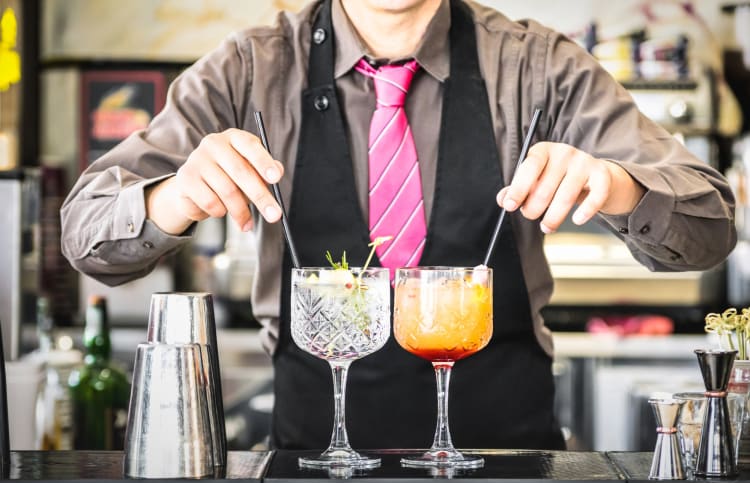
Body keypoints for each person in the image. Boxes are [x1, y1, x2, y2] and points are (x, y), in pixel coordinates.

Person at [61, 0, 737, 451]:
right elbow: (87, 234)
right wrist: (175, 195)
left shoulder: (540, 67)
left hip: (508, 464)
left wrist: (617, 185)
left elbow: (709, 226)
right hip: (309, 468)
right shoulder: (251, 69)